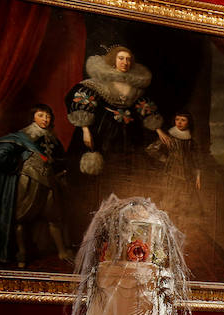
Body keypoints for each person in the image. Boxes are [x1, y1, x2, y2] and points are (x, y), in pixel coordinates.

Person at [65, 45, 166, 201]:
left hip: (129, 133)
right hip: (103, 131)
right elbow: (83, 104)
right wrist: (85, 129)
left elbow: (144, 106)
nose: (125, 62)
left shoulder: (135, 86)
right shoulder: (97, 82)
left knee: (126, 171)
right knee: (104, 171)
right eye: (121, 58)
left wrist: (158, 129)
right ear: (113, 60)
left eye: (128, 59)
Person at [0, 103, 72, 268]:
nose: (45, 119)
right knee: (21, 217)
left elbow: (61, 160)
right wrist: (17, 164)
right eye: (41, 115)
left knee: (54, 217)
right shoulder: (22, 136)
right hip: (28, 179)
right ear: (33, 117)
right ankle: (21, 254)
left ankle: (62, 251)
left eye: (48, 116)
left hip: (49, 181)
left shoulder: (53, 139)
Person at [146, 111, 201, 210]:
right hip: (171, 173)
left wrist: (197, 175)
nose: (179, 122)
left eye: (183, 120)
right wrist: (166, 160)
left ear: (188, 122)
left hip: (187, 174)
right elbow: (151, 149)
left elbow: (195, 158)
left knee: (186, 201)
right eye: (177, 119)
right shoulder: (169, 137)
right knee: (169, 198)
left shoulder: (191, 141)